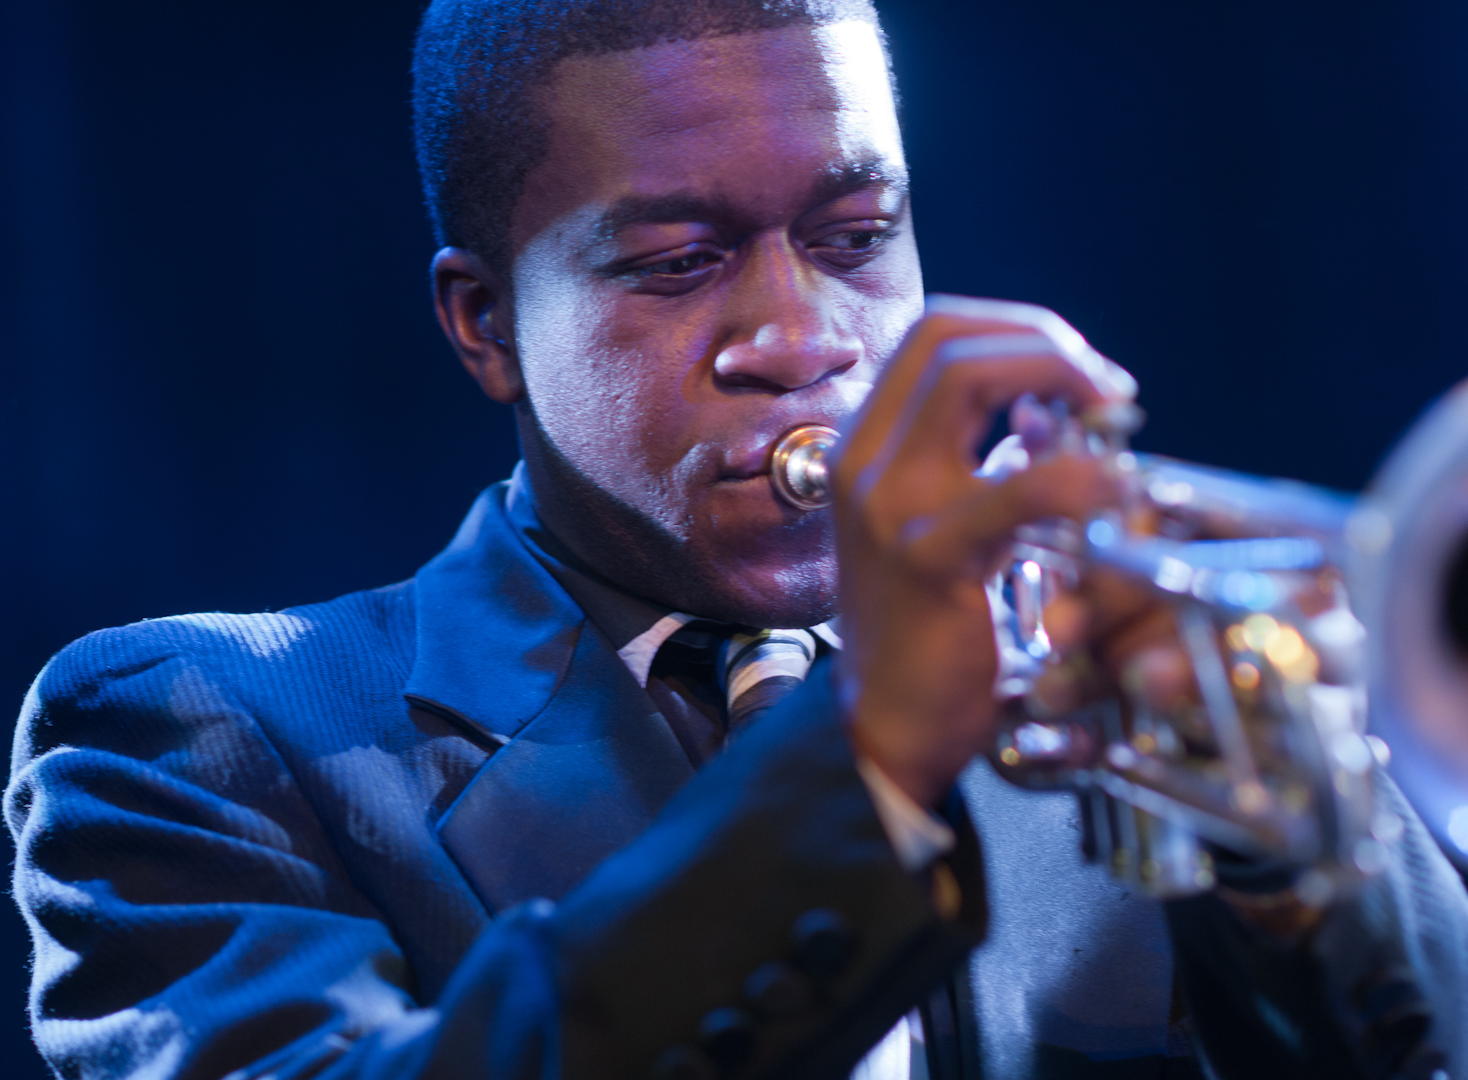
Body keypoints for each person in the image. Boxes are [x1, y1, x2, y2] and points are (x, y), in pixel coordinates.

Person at [7, 2, 1467, 1078]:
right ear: (484, 323)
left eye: (853, 237)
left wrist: (1298, 838)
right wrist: (873, 754)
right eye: (678, 263)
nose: (801, 338)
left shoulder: (1120, 697)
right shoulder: (191, 736)